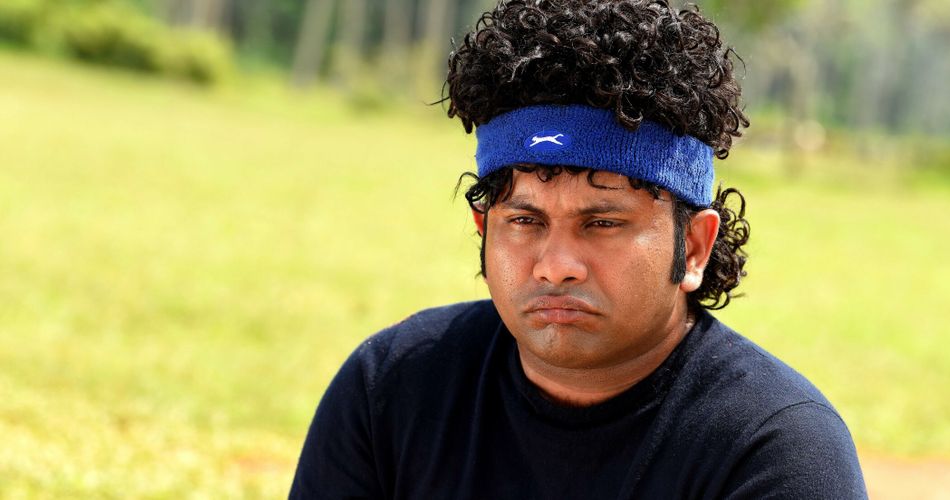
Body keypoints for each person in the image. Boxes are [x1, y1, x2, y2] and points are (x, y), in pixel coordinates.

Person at [290, 1, 868, 498]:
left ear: (693, 247)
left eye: (602, 223)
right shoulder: (393, 389)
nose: (555, 266)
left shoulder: (776, 451)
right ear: (484, 230)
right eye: (525, 220)